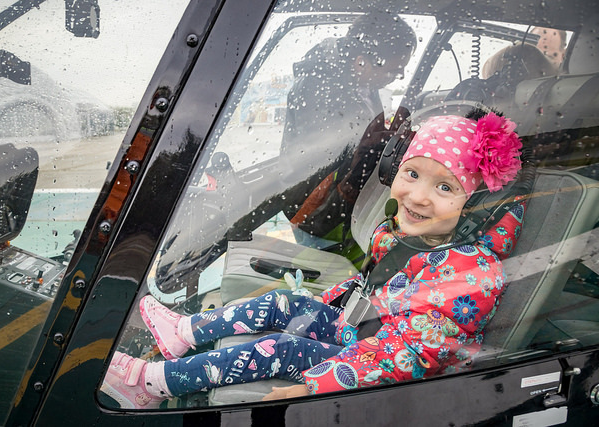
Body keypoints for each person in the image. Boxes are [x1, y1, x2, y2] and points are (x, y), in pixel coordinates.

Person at [101, 108, 526, 408]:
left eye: (445, 188)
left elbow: (413, 356)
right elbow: (370, 290)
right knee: (282, 304)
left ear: (478, 202)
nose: (417, 196)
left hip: (387, 365)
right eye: (411, 174)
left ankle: (150, 384)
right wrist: (326, 306)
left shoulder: (471, 275)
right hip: (364, 332)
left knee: (280, 348)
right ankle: (184, 332)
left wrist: (315, 388)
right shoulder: (407, 236)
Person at [280, 13, 417, 246]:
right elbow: (333, 159)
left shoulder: (357, 83)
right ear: (361, 62)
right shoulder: (322, 92)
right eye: (394, 71)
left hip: (339, 207)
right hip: (318, 214)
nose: (399, 77)